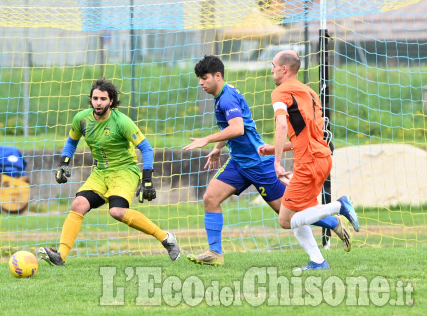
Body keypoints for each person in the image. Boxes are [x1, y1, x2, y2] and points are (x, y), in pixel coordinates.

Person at [184, 55, 350, 267]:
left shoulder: (227, 98)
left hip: (258, 162)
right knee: (210, 198)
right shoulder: (224, 95)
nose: (201, 82)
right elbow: (234, 128)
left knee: (289, 214)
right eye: (199, 78)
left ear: (218, 76)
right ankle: (215, 253)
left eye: (204, 77)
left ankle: (332, 221)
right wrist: (218, 148)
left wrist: (207, 140)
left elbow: (238, 128)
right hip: (238, 162)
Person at [38, 78, 180, 266]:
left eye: (103, 99)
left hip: (124, 171)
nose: (98, 102)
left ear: (111, 101)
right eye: (95, 98)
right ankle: (60, 255)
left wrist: (147, 180)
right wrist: (64, 163)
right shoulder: (81, 119)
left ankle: (166, 238)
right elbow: (72, 141)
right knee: (78, 204)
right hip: (100, 172)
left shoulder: (122, 122)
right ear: (91, 100)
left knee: (117, 212)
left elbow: (146, 149)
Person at [258, 50, 360, 270]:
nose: (272, 69)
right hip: (322, 158)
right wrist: (274, 149)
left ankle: (338, 206)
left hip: (308, 162)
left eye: (273, 65)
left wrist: (276, 161)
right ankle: (318, 261)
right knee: (297, 213)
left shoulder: (280, 92)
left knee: (285, 220)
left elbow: (282, 125)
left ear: (284, 69)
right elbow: (309, 134)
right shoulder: (311, 93)